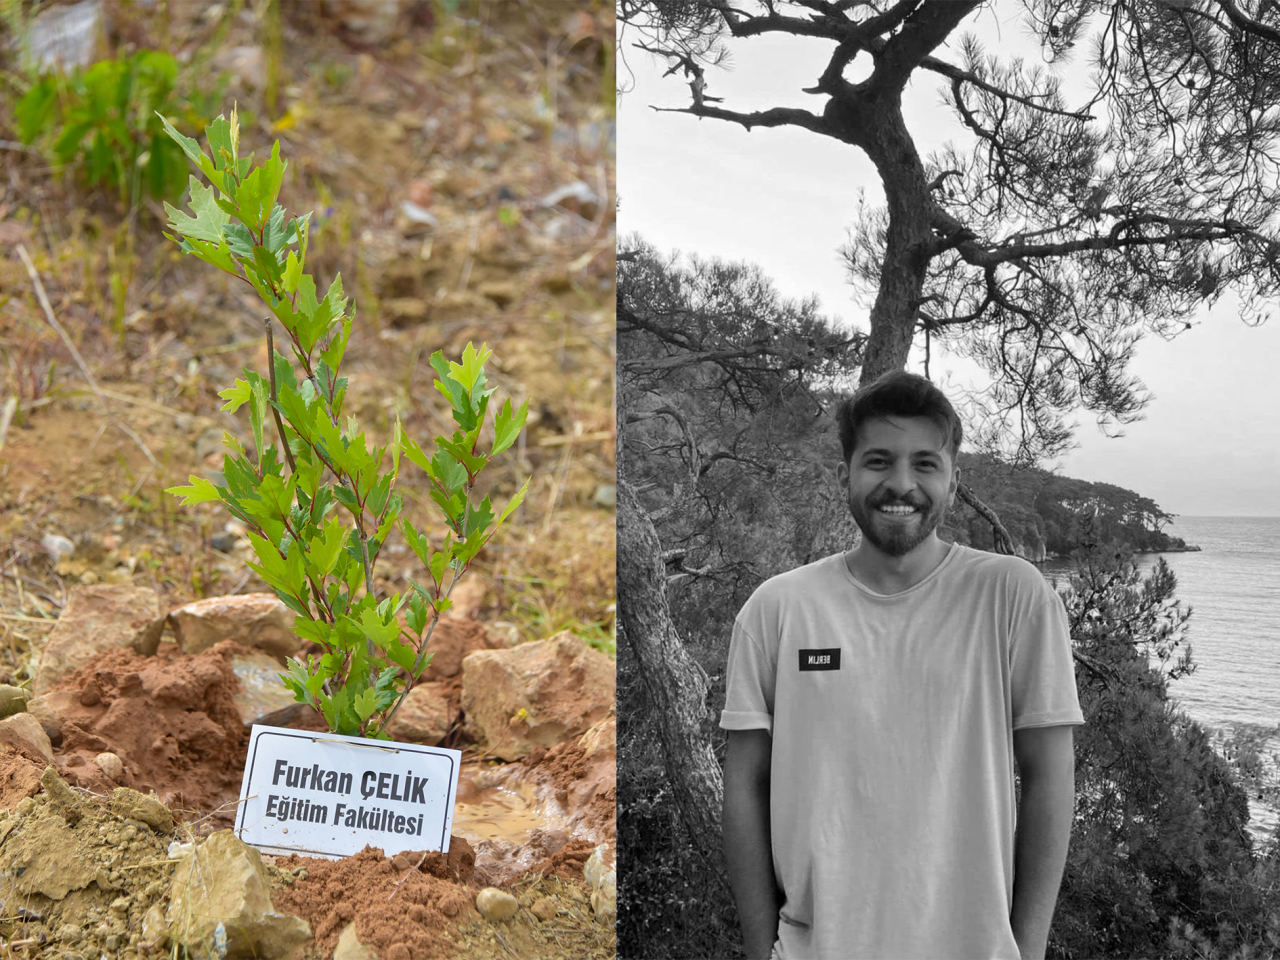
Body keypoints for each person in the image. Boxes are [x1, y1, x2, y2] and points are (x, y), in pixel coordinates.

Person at [720, 370, 1083, 960]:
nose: (901, 483)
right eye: (879, 461)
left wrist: (1028, 948)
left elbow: (1050, 776)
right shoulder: (778, 609)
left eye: (925, 464)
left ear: (952, 480)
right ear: (846, 475)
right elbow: (744, 786)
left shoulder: (1012, 596)